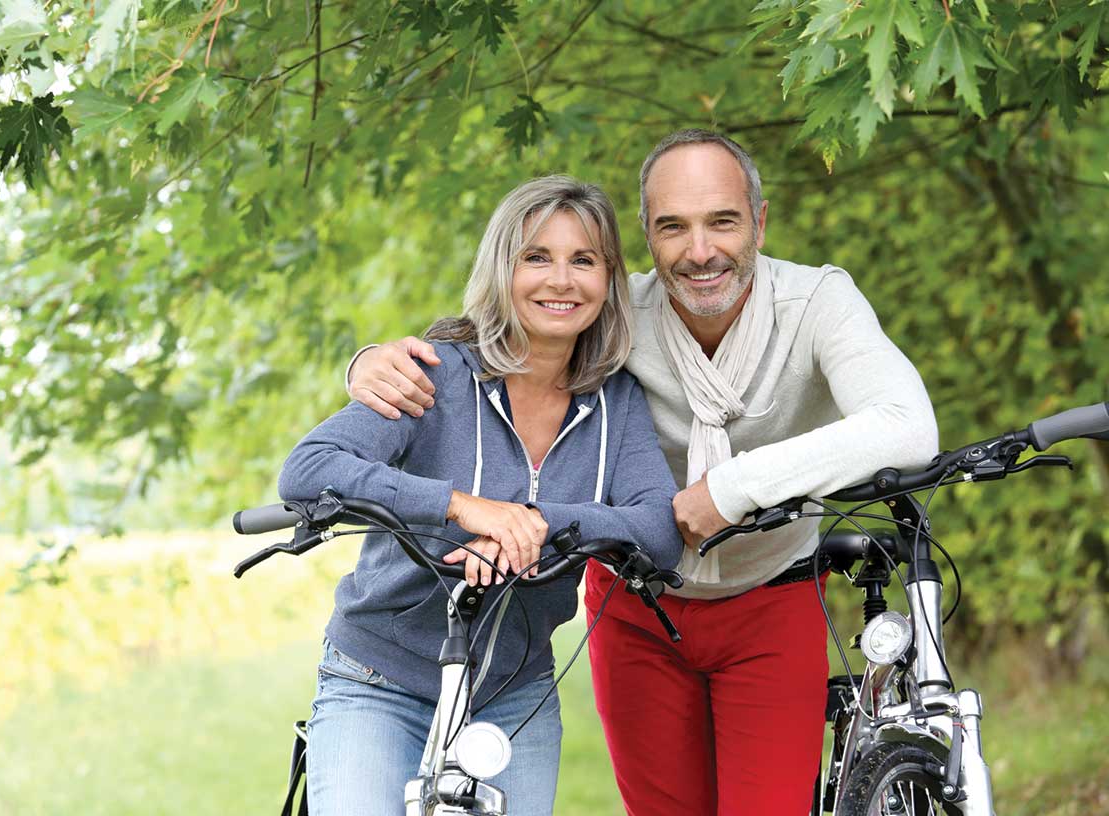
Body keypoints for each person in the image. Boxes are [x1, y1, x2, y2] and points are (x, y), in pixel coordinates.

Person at [346, 130, 940, 814]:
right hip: (637, 609)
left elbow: (907, 425)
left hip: (772, 599)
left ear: (760, 219)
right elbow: (488, 348)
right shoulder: (614, 312)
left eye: (722, 221)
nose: (700, 251)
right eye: (672, 228)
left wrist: (732, 489)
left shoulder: (816, 304)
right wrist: (368, 365)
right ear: (645, 237)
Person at [279, 175, 683, 815]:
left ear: (609, 281)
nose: (561, 280)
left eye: (584, 260)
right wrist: (463, 507)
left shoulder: (617, 401)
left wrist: (534, 524)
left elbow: (659, 531)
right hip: (380, 679)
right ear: (503, 268)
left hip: (514, 695)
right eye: (536, 257)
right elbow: (309, 468)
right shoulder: (437, 373)